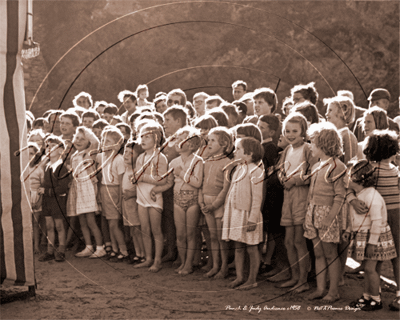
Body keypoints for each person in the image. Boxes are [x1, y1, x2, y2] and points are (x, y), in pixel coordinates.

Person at [344, 160, 397, 311]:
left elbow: (377, 221)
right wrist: (349, 230)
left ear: (357, 178)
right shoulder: (359, 194)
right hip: (366, 236)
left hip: (374, 238)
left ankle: (376, 299)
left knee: (370, 269)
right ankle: (367, 296)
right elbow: (354, 217)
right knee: (368, 269)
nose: (346, 179)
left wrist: (372, 243)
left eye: (348, 175)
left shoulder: (371, 196)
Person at [303, 122, 346, 302]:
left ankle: (333, 291)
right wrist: (307, 212)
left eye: (313, 143)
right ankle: (321, 289)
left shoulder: (338, 166)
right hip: (312, 212)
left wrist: (330, 217)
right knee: (318, 253)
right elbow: (311, 193)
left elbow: (339, 196)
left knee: (330, 253)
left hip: (327, 214)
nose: (310, 146)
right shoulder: (316, 166)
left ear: (324, 144)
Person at [275, 112, 317, 292]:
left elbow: (314, 173)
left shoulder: (307, 149)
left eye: (294, 131)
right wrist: (282, 178)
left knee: (299, 241)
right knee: (288, 241)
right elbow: (280, 169)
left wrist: (296, 181)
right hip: (288, 196)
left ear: (303, 132)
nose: (290, 134)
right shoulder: (287, 150)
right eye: (287, 131)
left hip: (301, 196)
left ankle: (303, 280)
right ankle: (294, 276)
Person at [157, 127, 204, 275]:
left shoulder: (198, 161)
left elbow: (197, 183)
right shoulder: (173, 162)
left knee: (190, 234)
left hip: (192, 200)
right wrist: (156, 189)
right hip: (177, 200)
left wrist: (181, 173)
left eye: (179, 139)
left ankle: (189, 264)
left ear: (190, 144)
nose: (176, 142)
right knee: (180, 235)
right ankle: (183, 262)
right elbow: (170, 183)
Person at [363, 130, 400, 311]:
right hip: (396, 215)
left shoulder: (371, 171)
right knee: (398, 257)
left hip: (378, 218)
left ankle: (374, 293)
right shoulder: (395, 170)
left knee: (375, 258)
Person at [222, 137, 264, 289]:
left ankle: (252, 280)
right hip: (236, 213)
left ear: (249, 154)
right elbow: (232, 192)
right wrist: (228, 212)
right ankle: (240, 277)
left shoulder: (256, 171)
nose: (235, 151)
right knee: (238, 246)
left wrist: (252, 219)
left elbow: (257, 198)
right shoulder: (239, 169)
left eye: (238, 149)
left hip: (248, 215)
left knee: (251, 248)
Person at [132, 121, 168, 272]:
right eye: (142, 136)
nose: (143, 140)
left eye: (147, 136)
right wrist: (134, 179)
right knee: (144, 229)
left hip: (154, 198)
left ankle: (158, 260)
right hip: (141, 197)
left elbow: (163, 179)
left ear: (157, 138)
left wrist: (142, 177)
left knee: (156, 230)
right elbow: (136, 176)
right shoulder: (140, 157)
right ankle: (148, 258)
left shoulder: (161, 157)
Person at [199, 127, 233, 278]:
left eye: (213, 140)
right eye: (208, 140)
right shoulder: (206, 162)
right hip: (206, 203)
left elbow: (226, 188)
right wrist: (201, 202)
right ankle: (215, 265)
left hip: (218, 205)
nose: (209, 143)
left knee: (220, 238)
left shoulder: (227, 163)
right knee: (212, 237)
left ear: (224, 144)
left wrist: (215, 204)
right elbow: (201, 184)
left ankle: (224, 267)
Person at [67, 127, 106, 259]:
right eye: (76, 138)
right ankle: (88, 247)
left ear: (88, 141)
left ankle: (100, 248)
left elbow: (95, 142)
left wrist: (85, 131)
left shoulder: (89, 153)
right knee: (82, 221)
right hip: (78, 190)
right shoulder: (74, 156)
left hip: (88, 189)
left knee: (91, 221)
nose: (78, 141)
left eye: (82, 139)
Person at [257, 115, 286, 278]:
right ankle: (262, 259)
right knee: (265, 228)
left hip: (271, 192)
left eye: (263, 127)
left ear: (272, 131)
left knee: (272, 230)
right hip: (263, 191)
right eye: (258, 126)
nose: (259, 129)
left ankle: (268, 261)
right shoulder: (259, 146)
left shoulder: (271, 148)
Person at [96, 127, 128, 262]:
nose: (104, 143)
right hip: (105, 190)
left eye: (108, 141)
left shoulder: (119, 159)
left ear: (118, 144)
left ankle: (124, 251)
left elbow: (121, 183)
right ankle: (115, 250)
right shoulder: (102, 156)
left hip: (115, 191)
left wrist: (121, 199)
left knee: (114, 224)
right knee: (109, 223)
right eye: (103, 140)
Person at [38, 135, 71, 262]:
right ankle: (50, 251)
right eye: (48, 147)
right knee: (49, 226)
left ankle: (61, 250)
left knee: (59, 226)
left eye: (53, 147)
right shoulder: (46, 166)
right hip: (47, 201)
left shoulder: (61, 168)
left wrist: (46, 191)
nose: (49, 149)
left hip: (57, 202)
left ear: (60, 150)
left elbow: (62, 188)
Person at [122, 140, 145, 264]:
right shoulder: (126, 170)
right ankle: (137, 252)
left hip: (135, 204)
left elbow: (142, 189)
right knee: (132, 230)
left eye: (130, 153)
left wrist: (132, 194)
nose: (126, 155)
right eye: (125, 152)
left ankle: (143, 253)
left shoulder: (137, 171)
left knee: (138, 229)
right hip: (127, 205)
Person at [324, 96, 357, 164]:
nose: (326, 114)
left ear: (342, 112)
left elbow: (350, 164)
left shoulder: (348, 136)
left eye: (330, 110)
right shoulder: (331, 134)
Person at [28, 142, 45, 254]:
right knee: (26, 223)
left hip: (36, 196)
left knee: (35, 223)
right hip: (26, 196)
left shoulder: (39, 168)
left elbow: (42, 185)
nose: (29, 156)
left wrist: (39, 200)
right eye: (27, 153)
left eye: (31, 153)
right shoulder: (21, 168)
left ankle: (36, 246)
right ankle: (27, 246)